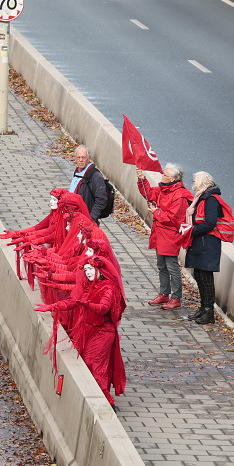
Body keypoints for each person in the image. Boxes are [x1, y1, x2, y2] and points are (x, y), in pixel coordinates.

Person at [36, 256, 128, 404]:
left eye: (91, 269)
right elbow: (74, 301)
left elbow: (104, 308)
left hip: (103, 333)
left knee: (94, 364)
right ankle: (98, 399)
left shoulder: (109, 288)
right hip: (90, 331)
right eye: (86, 270)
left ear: (100, 269)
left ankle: (107, 402)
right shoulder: (90, 286)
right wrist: (53, 307)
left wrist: (87, 305)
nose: (88, 273)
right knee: (89, 363)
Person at [136, 163, 193, 311]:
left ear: (173, 178)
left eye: (165, 175)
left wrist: (156, 212)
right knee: (162, 265)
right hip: (160, 233)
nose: (162, 176)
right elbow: (149, 194)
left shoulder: (180, 195)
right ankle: (164, 293)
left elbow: (174, 218)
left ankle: (176, 298)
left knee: (172, 267)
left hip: (170, 236)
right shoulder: (165, 189)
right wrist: (142, 179)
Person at [183, 171, 228, 324]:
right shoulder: (201, 198)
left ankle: (208, 313)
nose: (193, 183)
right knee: (200, 277)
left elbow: (210, 223)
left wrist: (192, 231)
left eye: (195, 180)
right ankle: (203, 309)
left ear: (202, 182)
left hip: (207, 245)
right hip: (200, 244)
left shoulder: (210, 200)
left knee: (206, 279)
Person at [70, 146, 108, 222]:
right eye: (78, 157)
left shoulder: (96, 176)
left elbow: (101, 200)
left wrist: (91, 218)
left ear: (89, 158)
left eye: (83, 157)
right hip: (75, 218)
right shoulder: (77, 172)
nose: (81, 160)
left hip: (87, 221)